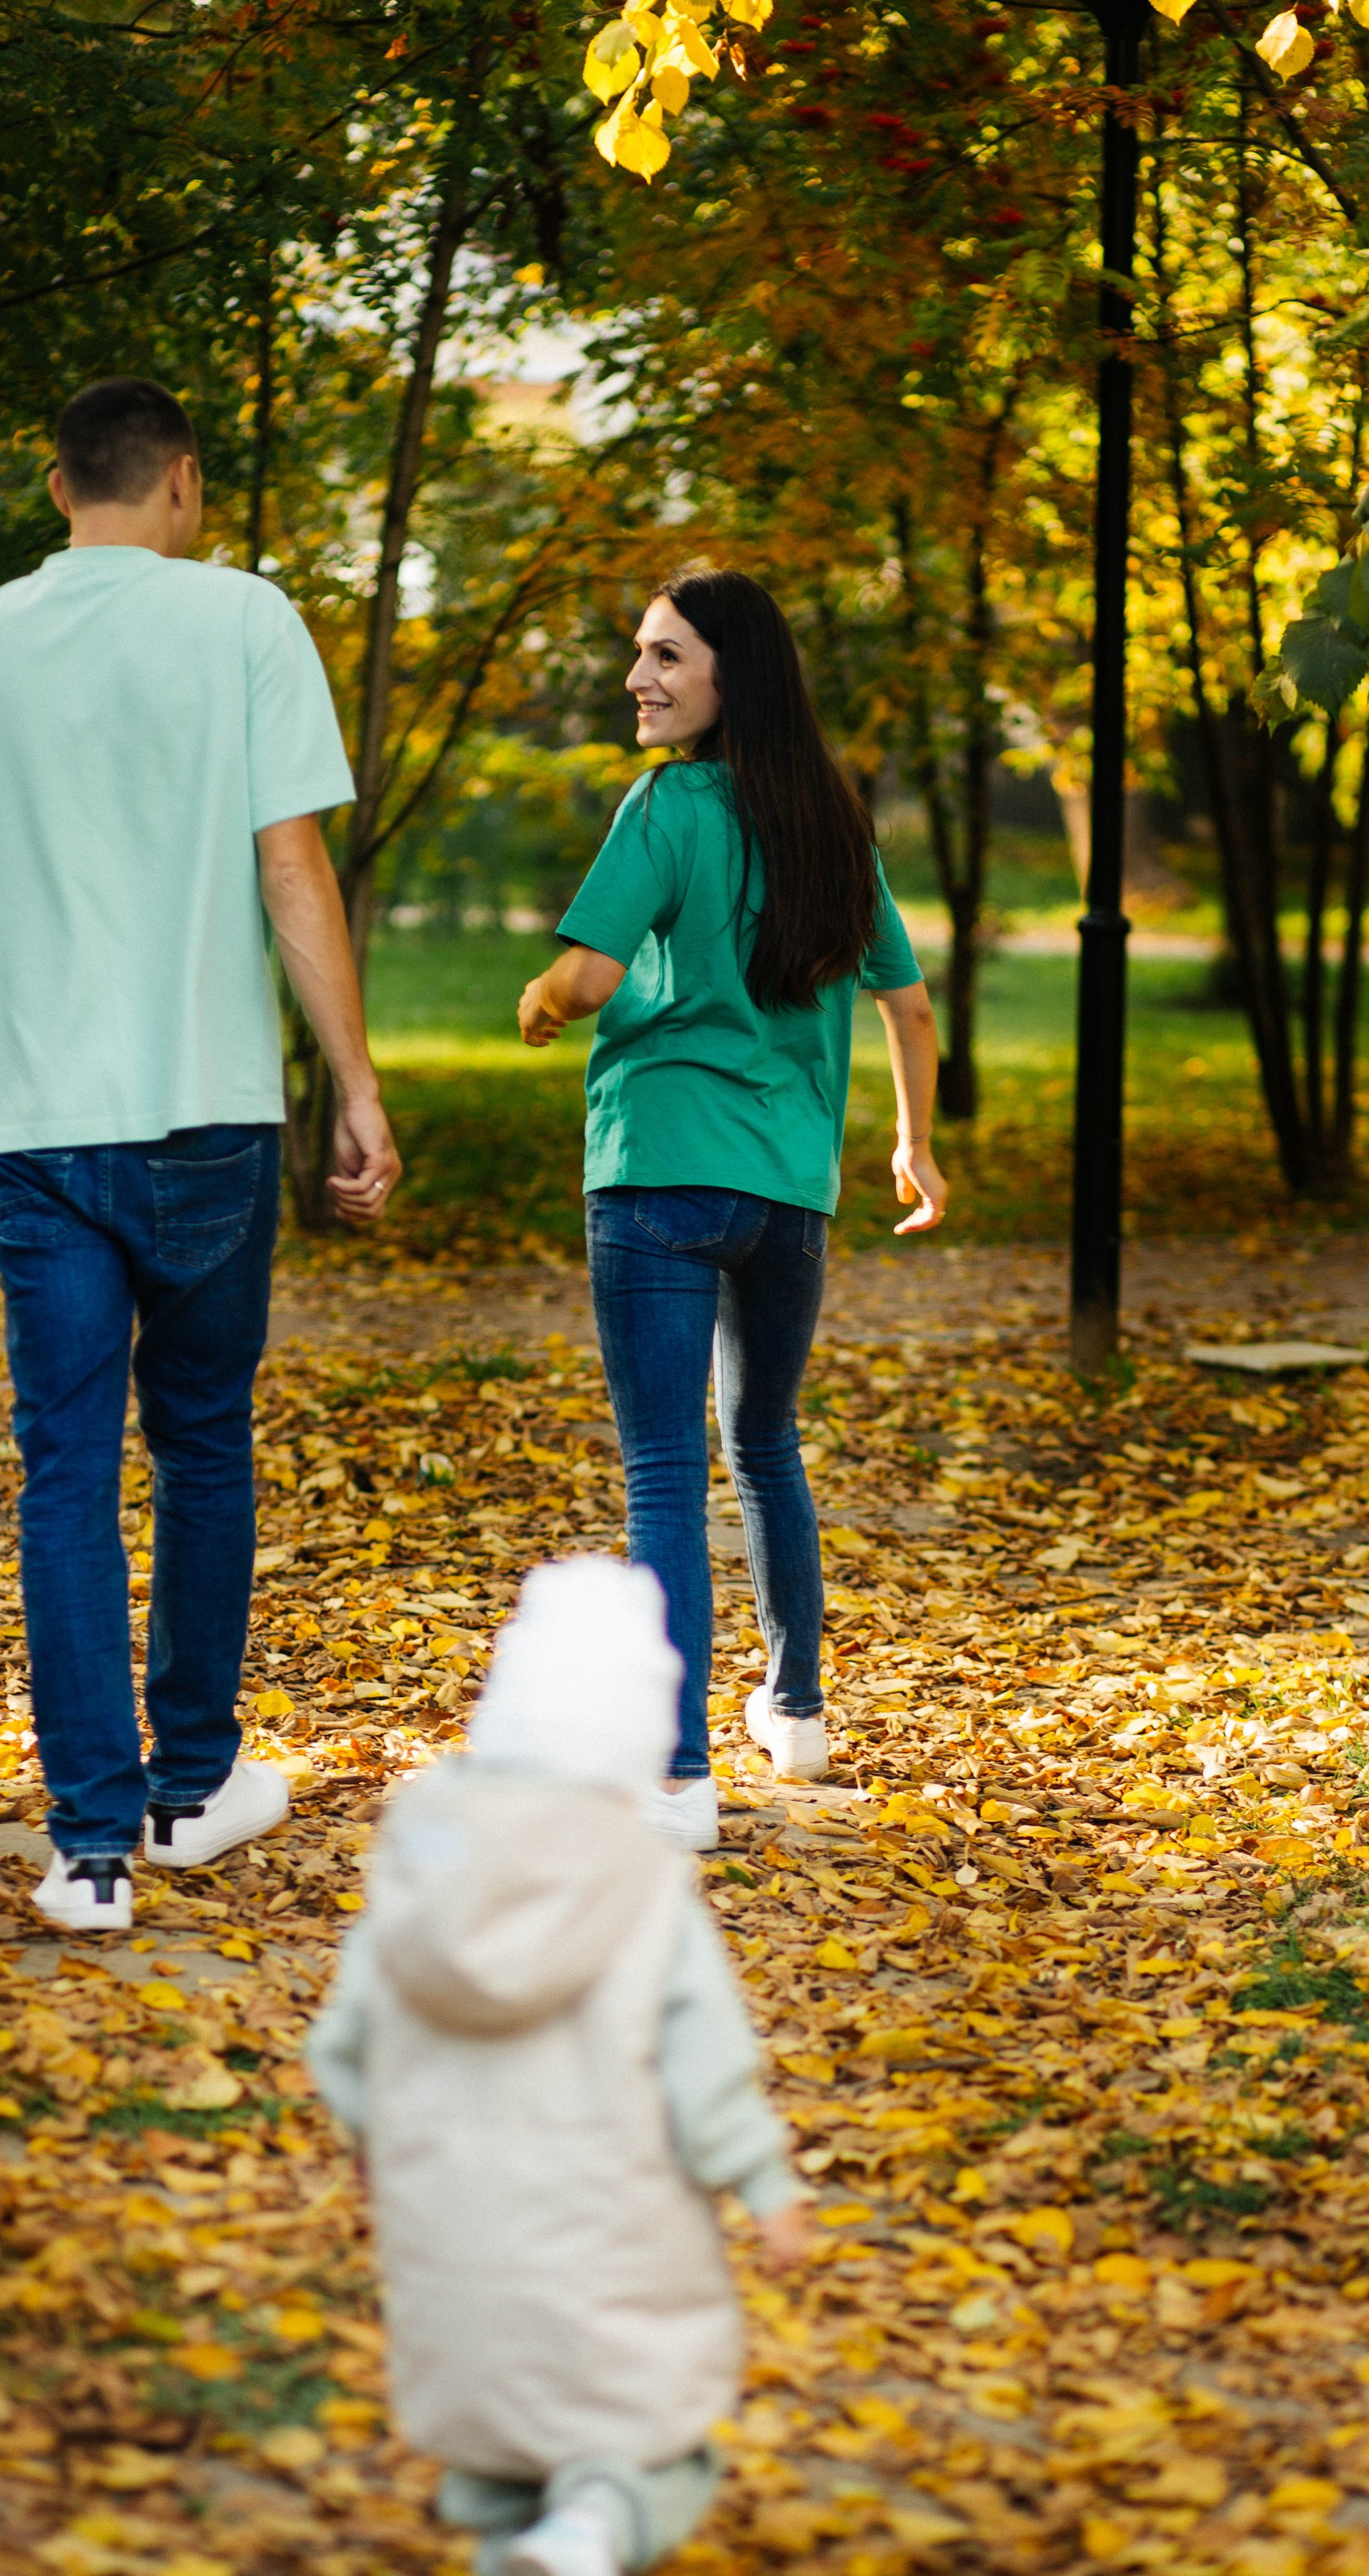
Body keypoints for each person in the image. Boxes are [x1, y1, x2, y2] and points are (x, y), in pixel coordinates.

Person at [0, 378, 400, 1935]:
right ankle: (189, 1788)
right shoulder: (239, 620)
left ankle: (87, 1854)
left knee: (66, 1475)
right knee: (203, 1440)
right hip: (208, 1114)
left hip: (38, 1134)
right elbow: (289, 861)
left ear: (54, 483)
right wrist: (351, 1081)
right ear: (183, 483)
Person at [306, 1555, 809, 2576]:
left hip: (448, 2222)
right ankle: (587, 2545)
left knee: (494, 2444)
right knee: (645, 2439)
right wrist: (763, 2183)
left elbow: (347, 2037)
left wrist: (369, 2136)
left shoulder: (419, 1853)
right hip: (608, 2221)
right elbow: (702, 2051)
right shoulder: (636, 1880)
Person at [516, 566, 947, 1853]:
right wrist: (914, 1146)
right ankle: (797, 1712)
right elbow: (907, 1005)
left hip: (657, 1174)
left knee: (663, 1467)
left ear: (727, 675)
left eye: (665, 657)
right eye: (639, 656)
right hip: (787, 1194)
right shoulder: (832, 823)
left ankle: (678, 1773)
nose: (638, 680)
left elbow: (589, 976)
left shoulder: (665, 807)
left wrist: (538, 1001)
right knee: (763, 1442)